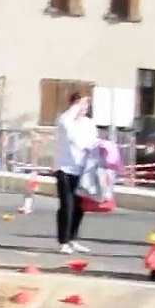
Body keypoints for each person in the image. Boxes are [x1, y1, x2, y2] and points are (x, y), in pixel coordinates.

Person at [53, 92, 98, 255]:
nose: (84, 107)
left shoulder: (88, 123)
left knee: (79, 207)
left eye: (86, 104)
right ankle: (63, 241)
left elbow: (93, 142)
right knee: (67, 205)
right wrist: (76, 107)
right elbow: (70, 133)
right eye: (81, 104)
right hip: (64, 168)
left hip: (82, 170)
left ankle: (73, 238)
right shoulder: (65, 120)